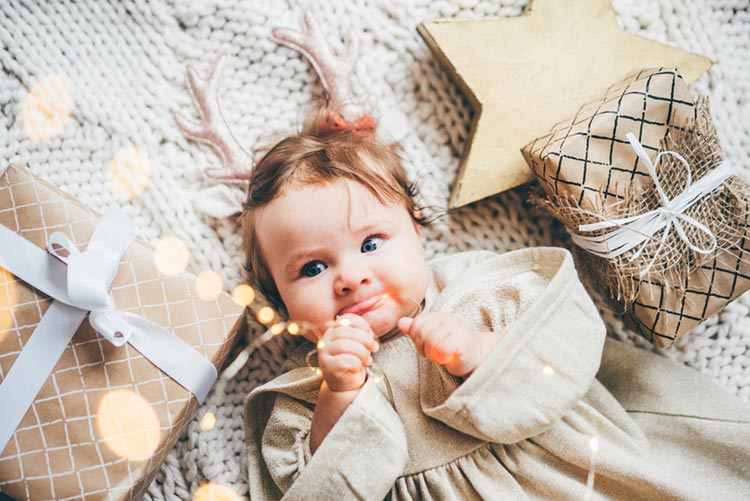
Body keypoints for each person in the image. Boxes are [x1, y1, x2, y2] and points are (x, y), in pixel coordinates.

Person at [240, 105, 750, 500]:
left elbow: (569, 346)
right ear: (279, 301)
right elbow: (323, 491)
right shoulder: (301, 397)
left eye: (371, 243)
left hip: (575, 475)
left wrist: (483, 351)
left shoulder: (480, 290)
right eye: (312, 268)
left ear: (418, 232)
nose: (350, 277)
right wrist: (339, 397)